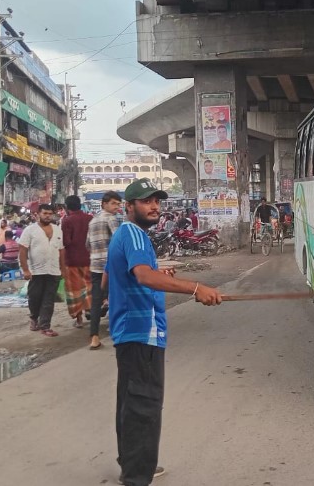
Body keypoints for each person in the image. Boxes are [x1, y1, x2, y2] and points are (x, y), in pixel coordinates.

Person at [105, 179, 223, 485]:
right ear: (129, 206)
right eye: (146, 201)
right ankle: (137, 476)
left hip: (129, 333)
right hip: (141, 333)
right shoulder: (134, 234)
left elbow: (109, 280)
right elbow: (144, 277)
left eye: (157, 201)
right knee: (144, 405)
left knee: (130, 403)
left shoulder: (125, 235)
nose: (154, 206)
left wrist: (157, 274)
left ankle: (132, 465)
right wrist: (196, 287)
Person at [18, 204, 66, 337]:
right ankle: (34, 318)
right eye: (45, 213)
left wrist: (63, 268)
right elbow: (23, 250)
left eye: (50, 214)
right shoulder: (30, 230)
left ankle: (45, 326)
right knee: (34, 297)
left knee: (49, 299)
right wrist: (25, 270)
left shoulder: (57, 230)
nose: (47, 216)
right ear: (38, 214)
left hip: (53, 270)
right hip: (36, 271)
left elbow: (61, 251)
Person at [86, 191, 121, 350]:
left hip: (95, 266)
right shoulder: (111, 219)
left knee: (96, 301)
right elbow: (119, 241)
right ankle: (117, 331)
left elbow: (87, 244)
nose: (116, 207)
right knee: (116, 297)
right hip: (110, 267)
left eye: (118, 204)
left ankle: (94, 337)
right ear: (104, 204)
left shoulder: (92, 221)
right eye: (113, 203)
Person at [62, 195, 93, 328]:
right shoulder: (90, 218)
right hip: (89, 258)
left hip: (72, 260)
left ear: (67, 207)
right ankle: (90, 310)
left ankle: (79, 319)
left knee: (74, 290)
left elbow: (66, 241)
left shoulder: (67, 221)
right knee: (89, 286)